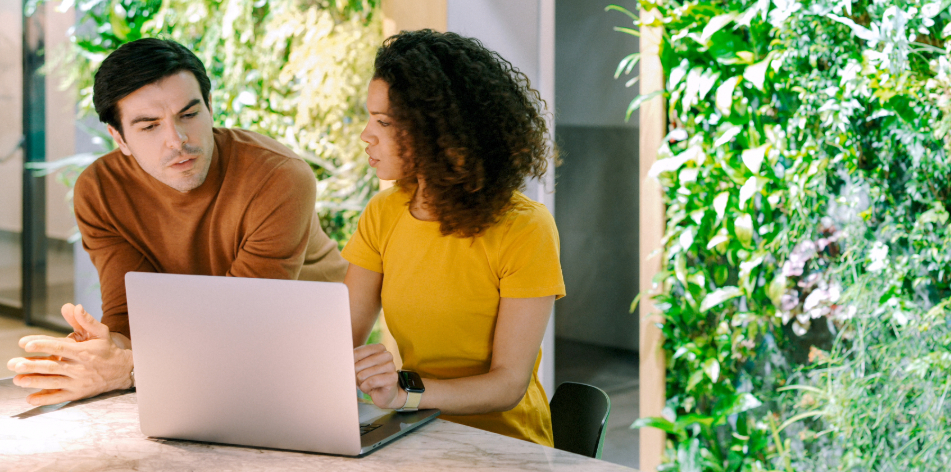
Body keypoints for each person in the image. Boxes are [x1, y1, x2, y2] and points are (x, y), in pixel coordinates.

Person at [7, 38, 347, 405]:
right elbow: (129, 317)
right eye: (149, 126)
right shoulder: (100, 190)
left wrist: (131, 369)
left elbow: (245, 324)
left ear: (210, 107)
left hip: (307, 358)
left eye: (189, 114)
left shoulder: (278, 178)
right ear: (118, 137)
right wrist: (103, 351)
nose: (177, 140)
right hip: (197, 360)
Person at [344, 30, 564, 446]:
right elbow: (339, 337)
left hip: (507, 446)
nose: (366, 135)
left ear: (438, 131)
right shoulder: (383, 213)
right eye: (370, 117)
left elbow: (507, 385)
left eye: (384, 122)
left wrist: (404, 392)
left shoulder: (525, 228)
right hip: (415, 433)